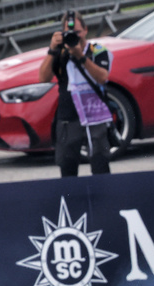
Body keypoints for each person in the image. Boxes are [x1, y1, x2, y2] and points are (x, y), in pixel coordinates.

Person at [38, 11, 112, 177]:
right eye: (69, 33)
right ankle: (71, 201)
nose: (74, 36)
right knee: (67, 165)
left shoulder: (97, 50)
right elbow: (43, 78)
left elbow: (102, 77)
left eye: (77, 32)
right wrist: (52, 50)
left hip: (95, 114)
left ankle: (105, 199)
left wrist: (80, 56)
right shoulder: (60, 52)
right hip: (68, 116)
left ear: (85, 30)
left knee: (100, 163)